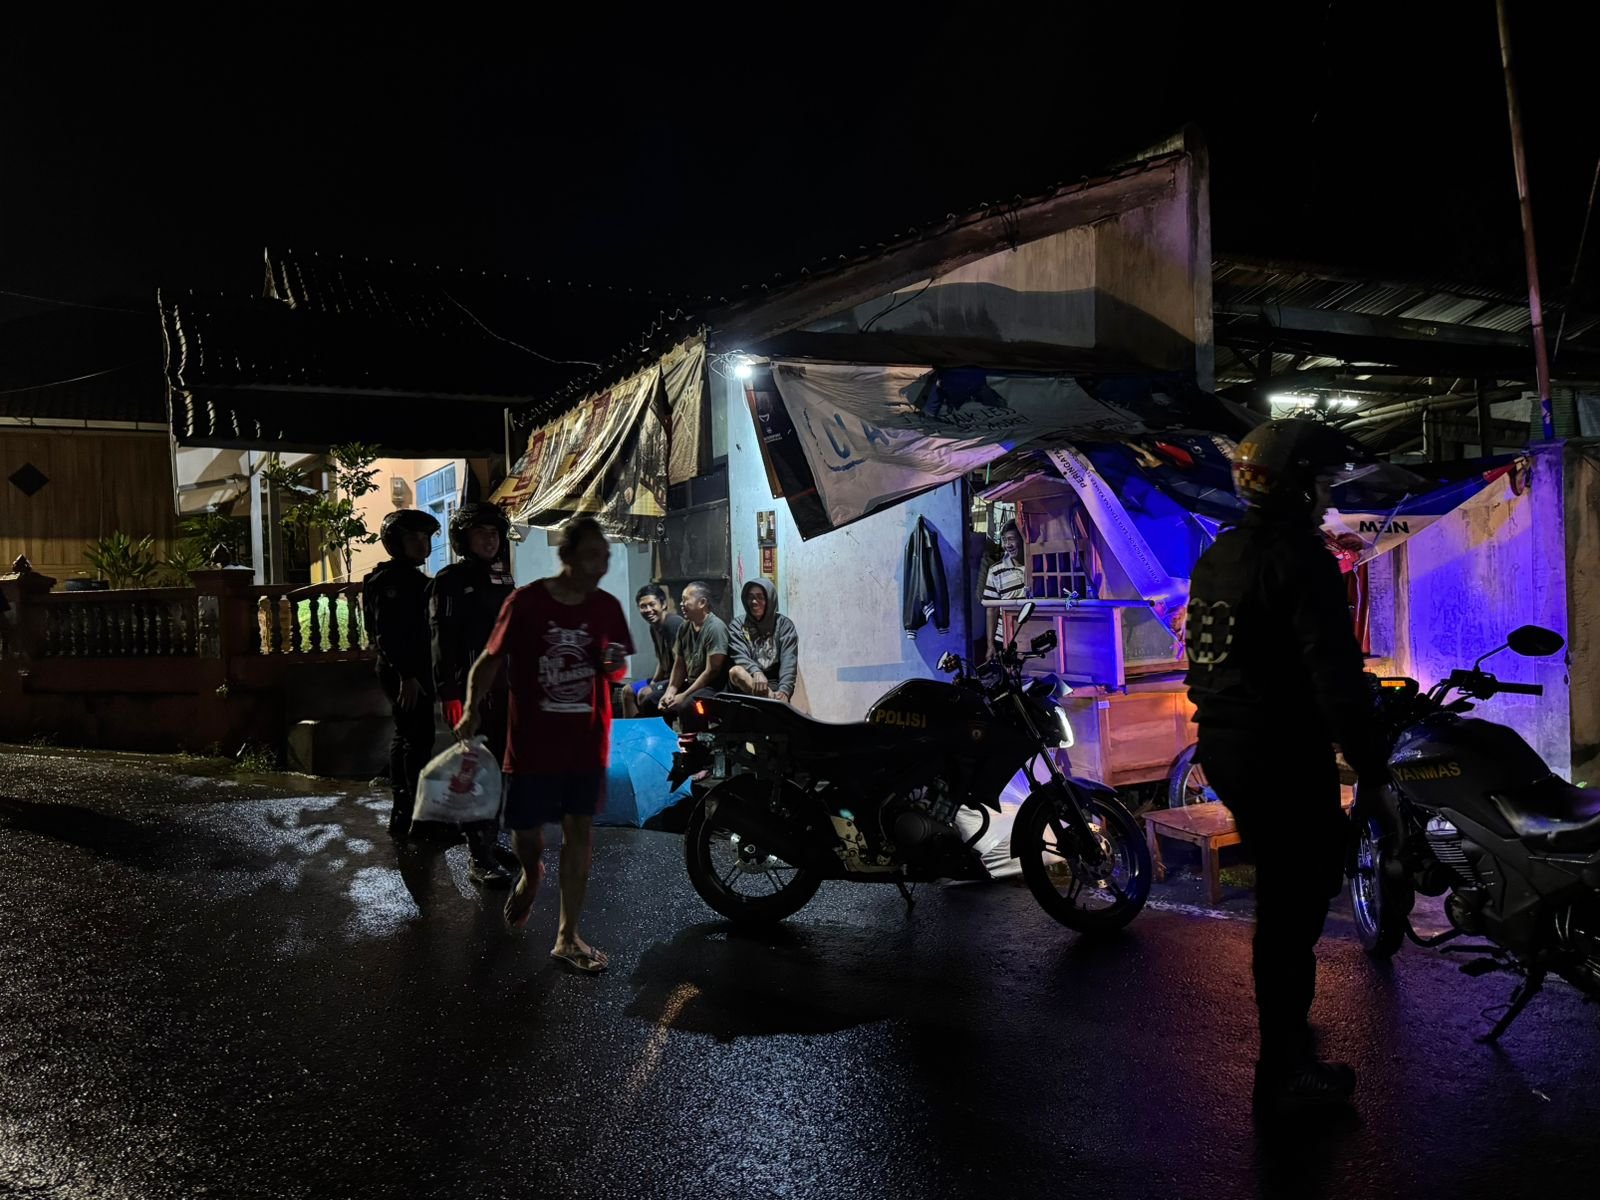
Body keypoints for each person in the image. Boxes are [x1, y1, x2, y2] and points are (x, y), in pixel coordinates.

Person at [1185, 418, 1393, 1116]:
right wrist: (1371, 762)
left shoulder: (1222, 554)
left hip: (1225, 743)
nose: (1328, 498)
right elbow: (1332, 671)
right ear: (1299, 486)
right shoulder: (1300, 558)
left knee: (1287, 894)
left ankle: (1288, 1038)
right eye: (1323, 484)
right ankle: (1283, 1070)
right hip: (1278, 751)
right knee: (1291, 908)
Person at [455, 516, 634, 972]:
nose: (601, 565)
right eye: (592, 555)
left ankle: (567, 936)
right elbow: (489, 660)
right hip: (532, 744)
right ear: (566, 555)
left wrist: (612, 664)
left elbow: (616, 671)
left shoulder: (608, 608)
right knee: (527, 836)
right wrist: (471, 708)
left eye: (605, 557)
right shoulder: (527, 602)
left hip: (585, 744)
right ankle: (531, 874)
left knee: (579, 833)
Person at [429, 501, 518, 888]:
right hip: (470, 694)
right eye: (480, 533)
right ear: (463, 539)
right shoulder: (450, 580)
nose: (489, 539)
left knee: (502, 769)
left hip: (506, 690)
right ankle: (478, 857)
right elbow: (442, 641)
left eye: (494, 532)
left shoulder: (503, 579)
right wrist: (450, 693)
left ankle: (490, 841)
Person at [362, 508, 442, 845]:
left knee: (408, 734)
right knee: (416, 739)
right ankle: (416, 815)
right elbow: (387, 633)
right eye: (414, 538)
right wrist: (406, 675)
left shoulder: (412, 580)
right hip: (404, 671)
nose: (422, 545)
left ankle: (404, 812)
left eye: (426, 538)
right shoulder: (392, 582)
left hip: (413, 670)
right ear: (396, 542)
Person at [659, 581, 730, 723]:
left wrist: (684, 695)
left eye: (686, 600)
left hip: (712, 687)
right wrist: (670, 691)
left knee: (688, 706)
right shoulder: (684, 627)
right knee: (652, 700)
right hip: (691, 683)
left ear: (702, 602)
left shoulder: (715, 628)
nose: (681, 604)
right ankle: (664, 737)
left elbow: (712, 672)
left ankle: (694, 738)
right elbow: (679, 664)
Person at [728, 578, 799, 704]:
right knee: (736, 672)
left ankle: (777, 702)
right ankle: (774, 703)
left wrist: (784, 691)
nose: (754, 602)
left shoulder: (784, 625)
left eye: (760, 597)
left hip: (774, 683)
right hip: (749, 680)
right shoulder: (738, 625)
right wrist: (756, 671)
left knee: (781, 694)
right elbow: (739, 655)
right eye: (750, 597)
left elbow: (789, 661)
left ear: (769, 600)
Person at [621, 583, 683, 718]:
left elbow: (681, 663)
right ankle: (633, 730)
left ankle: (652, 730)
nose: (648, 610)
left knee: (644, 694)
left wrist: (658, 687)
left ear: (663, 604)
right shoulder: (653, 627)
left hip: (679, 680)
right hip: (665, 679)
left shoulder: (673, 624)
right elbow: (662, 660)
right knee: (627, 691)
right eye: (643, 606)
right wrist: (654, 681)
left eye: (652, 604)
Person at [982, 520, 1029, 659]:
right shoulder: (996, 571)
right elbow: (992, 609)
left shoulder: (1038, 565)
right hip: (1005, 640)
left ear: (1023, 539)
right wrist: (990, 645)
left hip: (1032, 636)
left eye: (1011, 539)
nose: (1007, 545)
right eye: (1004, 540)